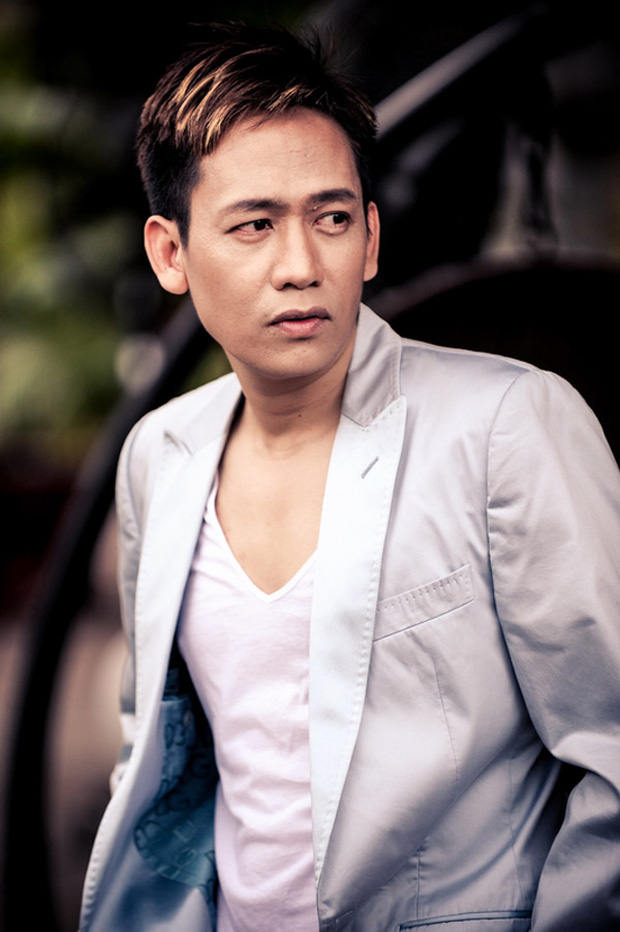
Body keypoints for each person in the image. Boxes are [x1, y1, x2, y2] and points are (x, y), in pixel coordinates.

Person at [79, 21, 620, 932]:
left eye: (331, 219)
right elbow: (163, 752)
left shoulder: (508, 425)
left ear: (369, 238)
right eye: (254, 225)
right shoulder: (159, 455)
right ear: (170, 254)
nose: (301, 266)